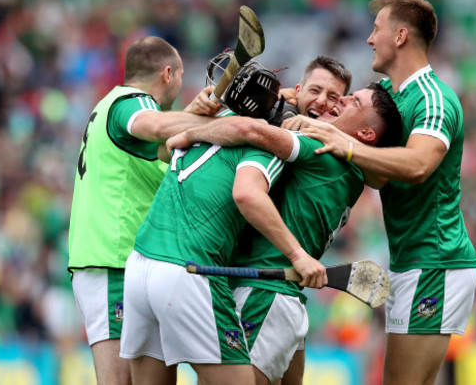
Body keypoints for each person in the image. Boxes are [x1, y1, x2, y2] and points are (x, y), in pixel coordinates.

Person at [288, 0, 476, 385]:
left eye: (377, 30)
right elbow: (378, 173)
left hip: (435, 262)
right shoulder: (392, 96)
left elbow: (419, 165)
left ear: (401, 36)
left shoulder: (432, 97)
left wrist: (348, 146)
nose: (370, 39)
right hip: (411, 260)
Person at [166, 83, 402, 385]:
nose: (341, 99)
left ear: (367, 135)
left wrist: (191, 131)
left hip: (264, 297)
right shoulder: (354, 172)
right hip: (278, 297)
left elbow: (249, 131)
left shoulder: (322, 151)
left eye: (354, 101)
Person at [118, 89, 330, 384]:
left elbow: (164, 149)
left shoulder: (206, 126)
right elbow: (247, 194)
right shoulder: (265, 143)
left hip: (139, 265)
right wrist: (298, 255)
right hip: (189, 268)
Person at [67, 35, 220, 385]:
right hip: (113, 259)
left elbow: (164, 142)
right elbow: (153, 125)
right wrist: (218, 123)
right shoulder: (129, 101)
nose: (181, 86)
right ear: (167, 73)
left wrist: (193, 116)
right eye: (180, 76)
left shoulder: (114, 108)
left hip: (126, 265)